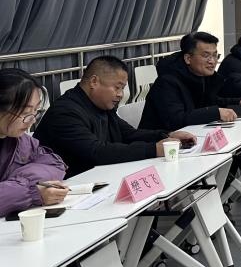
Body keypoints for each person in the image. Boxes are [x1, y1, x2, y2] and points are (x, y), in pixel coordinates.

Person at [34, 56, 196, 178]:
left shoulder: (100, 104)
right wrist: (153, 149)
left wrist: (167, 136)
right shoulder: (65, 112)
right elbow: (97, 152)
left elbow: (128, 134)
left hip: (99, 177)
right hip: (69, 187)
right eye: (117, 88)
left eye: (122, 88)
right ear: (94, 81)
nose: (120, 94)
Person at [139, 32, 241, 131]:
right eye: (206, 56)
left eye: (215, 55)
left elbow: (209, 101)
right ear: (188, 58)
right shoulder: (167, 82)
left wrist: (236, 102)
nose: (212, 61)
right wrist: (216, 113)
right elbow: (176, 120)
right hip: (162, 142)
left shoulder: (202, 75)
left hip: (193, 135)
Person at [0, 69, 68, 217]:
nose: (32, 120)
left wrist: (22, 185)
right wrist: (32, 192)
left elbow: (54, 163)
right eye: (25, 113)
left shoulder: (18, 140)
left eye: (35, 111)